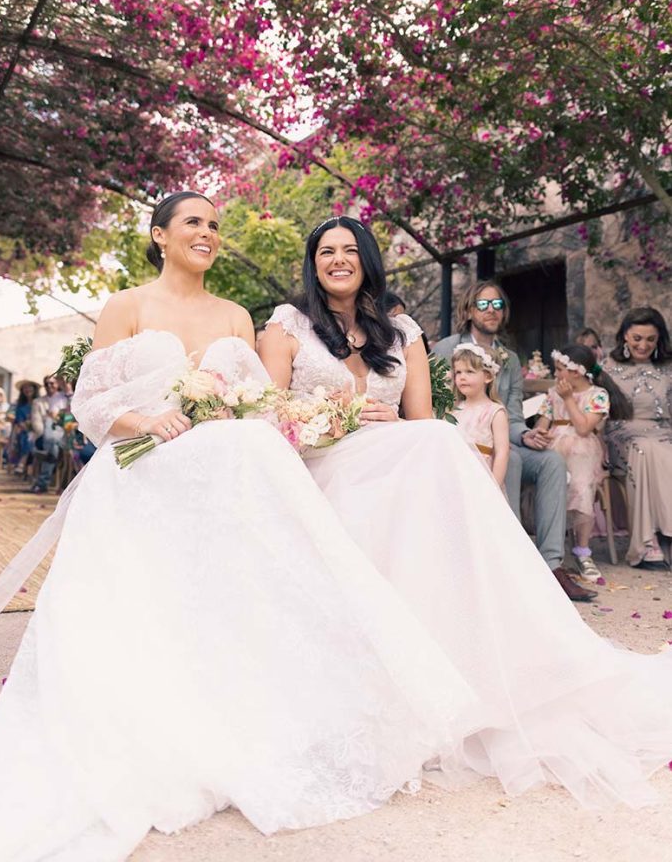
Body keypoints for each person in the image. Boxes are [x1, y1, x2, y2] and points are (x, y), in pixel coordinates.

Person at [0, 193, 473, 862]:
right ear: (160, 235)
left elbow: (258, 408)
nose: (208, 233)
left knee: (253, 450)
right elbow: (92, 407)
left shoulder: (237, 316)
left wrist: (262, 418)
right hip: (144, 463)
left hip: (216, 457)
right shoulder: (126, 306)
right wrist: (148, 423)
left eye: (215, 225)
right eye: (194, 223)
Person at [258, 215, 672, 809]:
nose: (338, 260)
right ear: (313, 261)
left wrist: (392, 421)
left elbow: (422, 419)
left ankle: (487, 612)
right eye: (326, 251)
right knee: (431, 447)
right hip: (321, 461)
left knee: (438, 441)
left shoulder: (399, 330)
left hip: (393, 451)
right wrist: (332, 422)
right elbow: (272, 419)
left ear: (368, 259)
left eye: (351, 250)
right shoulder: (287, 325)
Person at [431, 281, 591, 602]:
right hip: (462, 446)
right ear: (468, 310)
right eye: (483, 305)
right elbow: (433, 402)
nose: (491, 312)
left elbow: (514, 416)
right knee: (512, 460)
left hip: (503, 438)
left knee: (551, 462)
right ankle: (511, 561)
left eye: (497, 305)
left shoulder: (510, 359)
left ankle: (552, 566)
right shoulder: (446, 349)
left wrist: (527, 434)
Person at [535, 345, 628, 583]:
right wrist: (540, 434)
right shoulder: (553, 393)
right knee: (550, 480)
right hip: (555, 446)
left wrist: (568, 399)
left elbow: (584, 428)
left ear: (576, 372)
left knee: (579, 485)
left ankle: (582, 550)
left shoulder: (597, 394)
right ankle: (550, 548)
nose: (556, 375)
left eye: (559, 370)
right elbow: (543, 423)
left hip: (583, 448)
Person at [603, 307, 672, 568]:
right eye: (636, 338)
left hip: (663, 433)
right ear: (624, 337)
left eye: (650, 339)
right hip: (623, 435)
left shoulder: (668, 368)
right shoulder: (608, 368)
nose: (643, 345)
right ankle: (647, 541)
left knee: (660, 450)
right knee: (644, 449)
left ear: (659, 340)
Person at [451, 344, 510, 489]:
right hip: (456, 476)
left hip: (480, 479)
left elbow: (502, 452)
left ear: (488, 376)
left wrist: (494, 487)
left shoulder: (495, 412)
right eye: (458, 372)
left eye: (469, 371)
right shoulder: (454, 410)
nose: (462, 377)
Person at [30, 373, 70, 493]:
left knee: (52, 439)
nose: (49, 386)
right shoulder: (38, 402)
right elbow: (36, 423)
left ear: (57, 384)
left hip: (64, 433)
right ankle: (44, 482)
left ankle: (42, 483)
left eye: (52, 383)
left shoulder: (65, 398)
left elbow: (69, 418)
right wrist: (46, 435)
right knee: (51, 439)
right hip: (44, 435)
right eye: (46, 384)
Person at [6, 379, 40, 476]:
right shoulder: (19, 405)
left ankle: (22, 463)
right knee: (26, 436)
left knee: (30, 437)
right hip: (24, 430)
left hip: (38, 429)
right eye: (25, 387)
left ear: (34, 389)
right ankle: (22, 463)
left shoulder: (39, 402)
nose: (27, 389)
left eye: (29, 387)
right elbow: (18, 421)